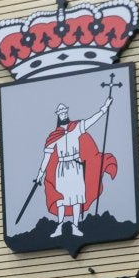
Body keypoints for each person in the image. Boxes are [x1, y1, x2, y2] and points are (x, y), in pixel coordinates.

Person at [35, 96, 114, 236]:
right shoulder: (54, 136)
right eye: (61, 112)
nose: (63, 113)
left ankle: (75, 226)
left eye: (64, 111)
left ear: (67, 112)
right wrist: (40, 174)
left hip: (76, 166)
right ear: (58, 115)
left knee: (77, 197)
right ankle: (59, 226)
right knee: (61, 198)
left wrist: (104, 108)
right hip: (62, 168)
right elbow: (46, 157)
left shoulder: (76, 128)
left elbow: (91, 120)